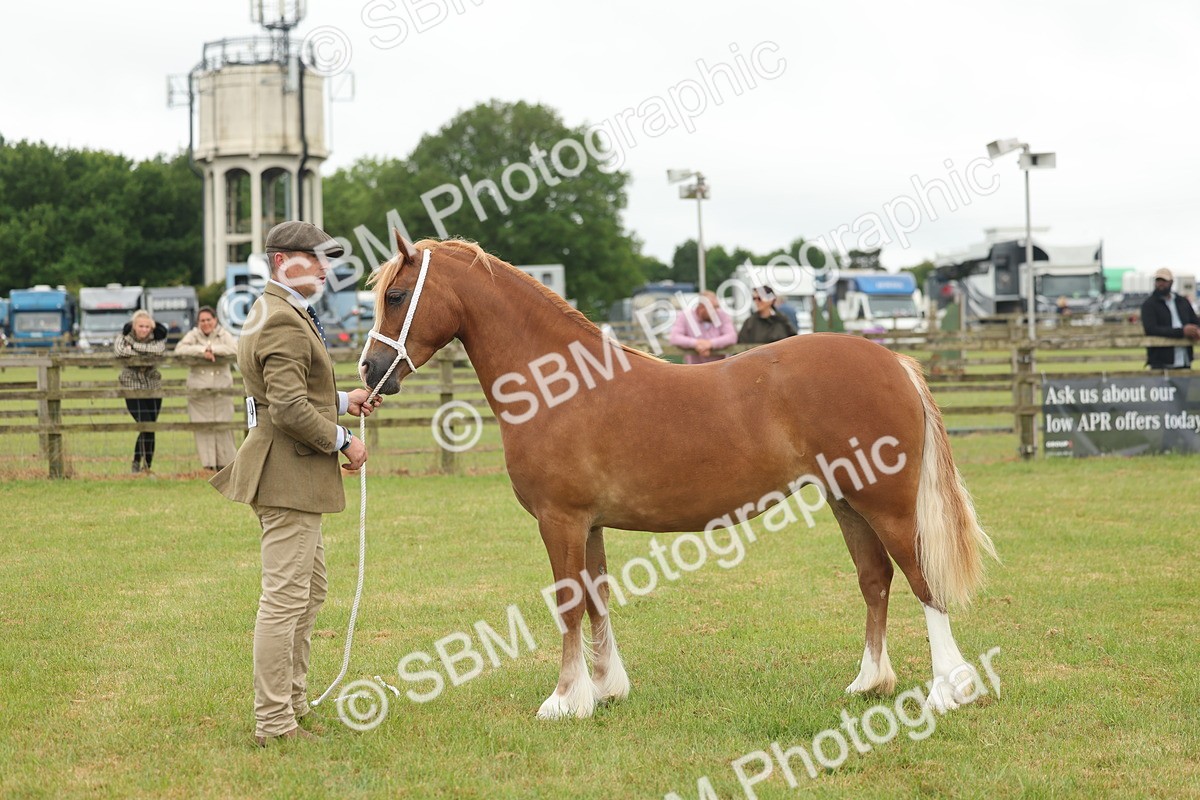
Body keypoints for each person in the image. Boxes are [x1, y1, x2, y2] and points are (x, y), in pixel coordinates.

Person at [210, 220, 382, 747]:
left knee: (310, 592)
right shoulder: (282, 318)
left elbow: (284, 393)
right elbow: (284, 408)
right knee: (285, 600)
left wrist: (340, 400)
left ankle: (294, 701)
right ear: (286, 261)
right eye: (318, 258)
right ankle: (274, 723)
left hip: (291, 472)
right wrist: (342, 438)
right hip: (287, 472)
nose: (327, 269)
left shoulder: (278, 310)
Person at [175, 306, 238, 471]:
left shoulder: (223, 334)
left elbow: (235, 349)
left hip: (222, 390)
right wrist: (202, 351)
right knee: (203, 428)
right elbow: (180, 350)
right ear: (198, 322)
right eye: (202, 320)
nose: (206, 323)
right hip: (199, 392)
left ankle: (227, 465)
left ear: (215, 320)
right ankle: (208, 466)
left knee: (223, 426)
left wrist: (213, 349)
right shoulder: (193, 335)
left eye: (209, 319)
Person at [114, 309, 168, 474]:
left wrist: (135, 348)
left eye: (147, 326)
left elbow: (158, 351)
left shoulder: (156, 339)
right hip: (132, 386)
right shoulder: (124, 338)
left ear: (151, 327)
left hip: (152, 387)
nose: (144, 329)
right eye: (141, 326)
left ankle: (146, 465)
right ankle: (138, 462)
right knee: (145, 423)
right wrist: (144, 350)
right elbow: (120, 351)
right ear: (134, 326)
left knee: (150, 426)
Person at [1140, 267, 1200, 369]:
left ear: (1171, 282)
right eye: (1158, 280)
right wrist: (1182, 332)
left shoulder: (1182, 302)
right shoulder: (1149, 304)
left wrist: (1196, 330)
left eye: (1164, 281)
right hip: (1161, 360)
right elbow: (1151, 329)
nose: (1161, 284)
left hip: (1184, 358)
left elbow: (1194, 321)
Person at [669, 290, 737, 364]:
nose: (716, 310)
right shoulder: (685, 316)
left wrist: (710, 344)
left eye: (717, 307)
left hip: (719, 368)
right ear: (701, 307)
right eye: (713, 307)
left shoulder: (722, 315)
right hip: (694, 369)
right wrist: (696, 343)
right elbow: (674, 337)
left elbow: (732, 336)